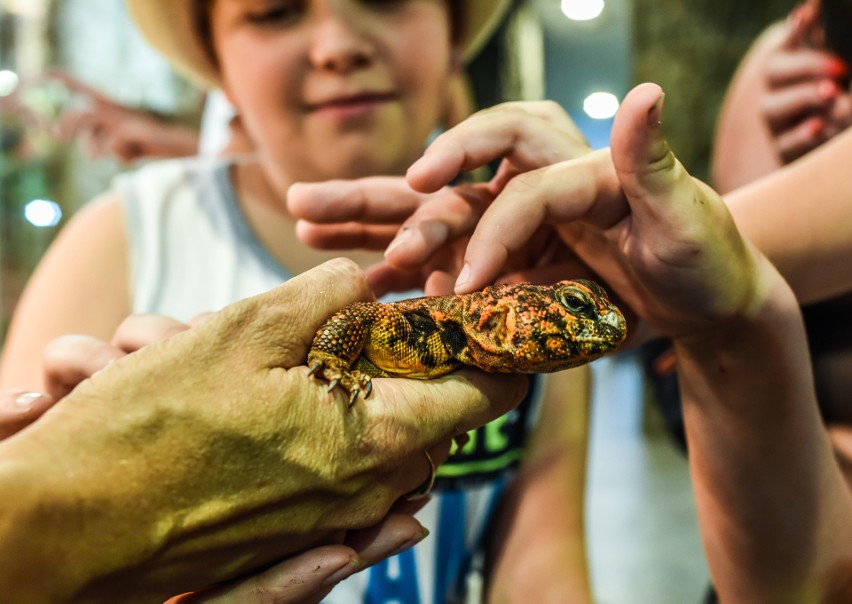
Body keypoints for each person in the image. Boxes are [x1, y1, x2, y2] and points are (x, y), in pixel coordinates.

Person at [0, 1, 596, 601]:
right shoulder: (123, 238)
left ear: (453, 39)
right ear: (217, 63)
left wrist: (695, 337)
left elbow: (541, 569)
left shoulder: (534, 265)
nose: (337, 46)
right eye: (274, 11)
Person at [289, 82, 852, 601]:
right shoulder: (432, 326)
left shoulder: (502, 371)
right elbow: (358, 321)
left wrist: (720, 308)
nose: (597, 331)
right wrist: (327, 362)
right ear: (511, 312)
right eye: (578, 309)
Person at [0, 258, 531, 603]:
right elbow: (364, 322)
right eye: (574, 305)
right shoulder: (119, 235)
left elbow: (539, 568)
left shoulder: (514, 279)